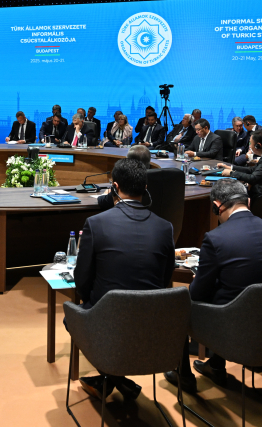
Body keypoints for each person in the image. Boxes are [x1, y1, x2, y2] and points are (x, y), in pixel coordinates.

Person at [165, 179, 262, 392]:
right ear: (248, 202)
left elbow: (198, 294)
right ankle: (216, 365)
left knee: (179, 303)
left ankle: (184, 375)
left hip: (234, 329)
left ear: (216, 207)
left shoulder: (216, 238)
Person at [73, 158, 175, 401]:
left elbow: (81, 281)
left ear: (114, 187)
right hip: (154, 323)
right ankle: (117, 381)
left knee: (72, 316)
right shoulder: (165, 227)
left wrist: (89, 303)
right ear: (145, 188)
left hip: (107, 320)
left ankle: (110, 379)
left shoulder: (95, 224)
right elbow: (165, 278)